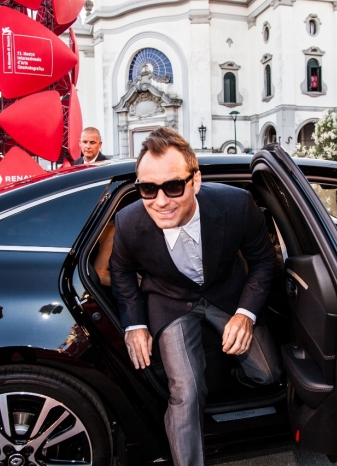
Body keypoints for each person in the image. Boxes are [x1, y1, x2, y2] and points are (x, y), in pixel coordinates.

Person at [109, 127, 281, 466]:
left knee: (267, 375)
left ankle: (229, 369)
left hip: (226, 293)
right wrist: (135, 324)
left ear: (195, 181)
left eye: (173, 186)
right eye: (148, 188)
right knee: (185, 391)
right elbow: (121, 272)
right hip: (169, 300)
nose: (160, 201)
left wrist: (245, 314)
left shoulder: (236, 205)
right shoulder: (128, 222)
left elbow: (263, 261)